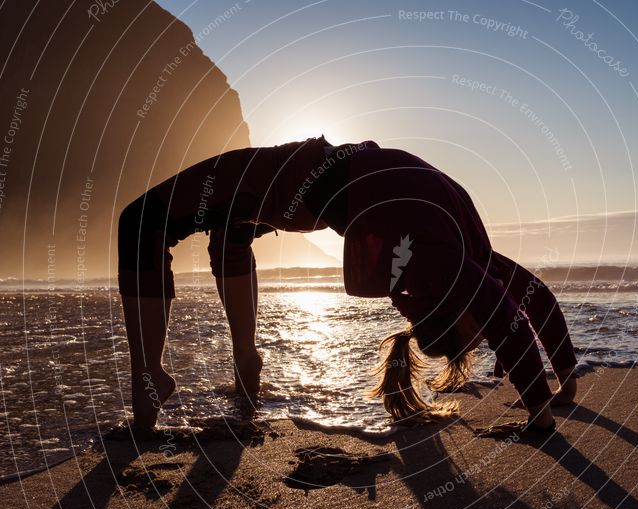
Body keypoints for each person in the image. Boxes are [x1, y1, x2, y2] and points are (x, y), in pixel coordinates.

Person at [118, 136, 578, 432]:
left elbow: (505, 313)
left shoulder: (447, 263)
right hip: (313, 181)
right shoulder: (471, 259)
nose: (484, 336)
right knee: (231, 234)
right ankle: (246, 361)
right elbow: (532, 300)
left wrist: (541, 411)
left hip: (297, 179)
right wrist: (564, 381)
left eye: (475, 337)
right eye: (481, 336)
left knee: (142, 221)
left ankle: (149, 379)